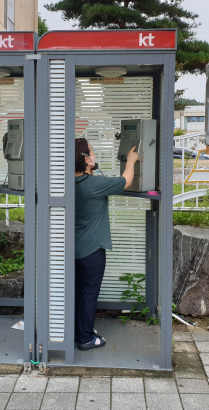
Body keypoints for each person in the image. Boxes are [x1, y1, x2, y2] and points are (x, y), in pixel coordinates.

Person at [74, 137, 139, 350]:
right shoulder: (93, 184)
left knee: (76, 293)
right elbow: (126, 181)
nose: (95, 155)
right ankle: (85, 338)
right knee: (89, 294)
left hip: (72, 249)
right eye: (92, 152)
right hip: (91, 251)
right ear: (86, 159)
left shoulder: (66, 182)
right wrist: (130, 161)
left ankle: (77, 331)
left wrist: (91, 168)